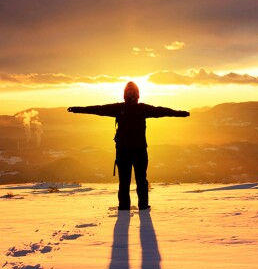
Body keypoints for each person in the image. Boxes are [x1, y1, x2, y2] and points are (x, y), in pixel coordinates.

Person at [68, 81, 190, 210]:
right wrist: (78, 109)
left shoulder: (139, 109)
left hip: (136, 151)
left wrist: (179, 113)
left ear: (137, 95)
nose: (131, 94)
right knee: (127, 182)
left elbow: (161, 111)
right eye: (129, 92)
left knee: (139, 181)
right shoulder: (122, 108)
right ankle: (127, 207)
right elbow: (98, 109)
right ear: (126, 95)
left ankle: (139, 207)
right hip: (127, 151)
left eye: (133, 92)